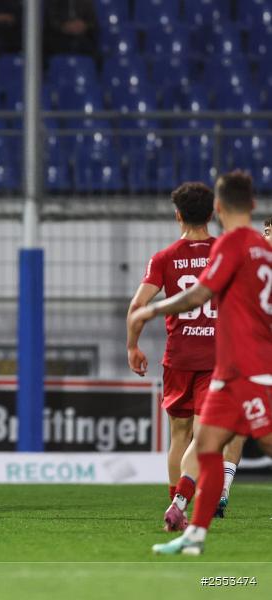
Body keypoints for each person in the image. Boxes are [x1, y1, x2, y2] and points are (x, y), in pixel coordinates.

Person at [129, 171, 272, 555]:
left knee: (211, 441)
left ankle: (186, 512)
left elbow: (200, 295)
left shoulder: (232, 245)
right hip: (228, 368)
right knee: (206, 443)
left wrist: (150, 311)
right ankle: (192, 532)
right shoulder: (259, 248)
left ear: (220, 208)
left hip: (249, 369)